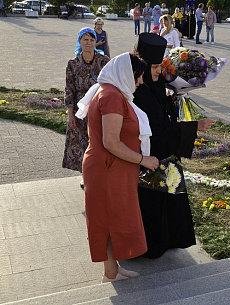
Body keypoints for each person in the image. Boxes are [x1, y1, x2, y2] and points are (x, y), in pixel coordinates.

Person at [76, 52, 159, 283]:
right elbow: (111, 142)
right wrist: (144, 159)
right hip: (107, 168)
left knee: (112, 217)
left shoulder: (113, 92)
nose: (140, 82)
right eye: (137, 77)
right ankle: (110, 274)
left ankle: (112, 269)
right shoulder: (111, 96)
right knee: (107, 219)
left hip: (111, 168)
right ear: (125, 74)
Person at [133, 33, 215, 259]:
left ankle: (170, 239)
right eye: (155, 67)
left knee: (168, 198)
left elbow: (161, 111)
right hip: (151, 157)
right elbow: (159, 128)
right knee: (154, 201)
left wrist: (174, 98)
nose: (159, 72)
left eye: (161, 66)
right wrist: (194, 126)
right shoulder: (139, 91)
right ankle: (153, 246)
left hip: (164, 156)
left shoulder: (154, 84)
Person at [62, 28, 110, 188]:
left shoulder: (104, 61)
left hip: (99, 109)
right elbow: (69, 90)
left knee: (100, 143)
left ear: (95, 42)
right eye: (85, 40)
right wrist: (70, 114)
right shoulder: (72, 64)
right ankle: (86, 176)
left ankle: (102, 174)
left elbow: (110, 84)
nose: (89, 43)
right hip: (79, 111)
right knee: (83, 144)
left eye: (91, 40)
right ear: (80, 42)